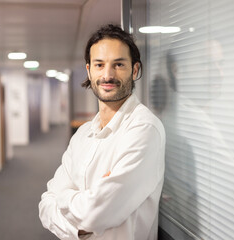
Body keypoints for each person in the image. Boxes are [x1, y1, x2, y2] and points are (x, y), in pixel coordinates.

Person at [39, 24, 166, 240]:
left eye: (118, 64)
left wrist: (65, 199)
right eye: (99, 64)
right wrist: (80, 223)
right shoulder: (82, 135)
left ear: (135, 70)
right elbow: (45, 206)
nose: (107, 75)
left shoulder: (144, 129)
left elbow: (94, 214)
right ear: (89, 70)